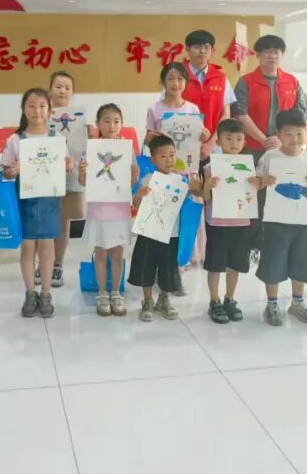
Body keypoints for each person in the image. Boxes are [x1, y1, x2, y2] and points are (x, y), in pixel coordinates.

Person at [1, 87, 73, 319]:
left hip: (49, 200)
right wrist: (12, 171)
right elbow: (5, 170)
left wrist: (67, 166)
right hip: (25, 200)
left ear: (50, 110)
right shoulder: (15, 139)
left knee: (47, 246)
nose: (36, 110)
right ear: (23, 109)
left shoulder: (57, 139)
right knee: (28, 246)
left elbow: (64, 167)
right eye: (31, 105)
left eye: (42, 106)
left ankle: (46, 292)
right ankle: (30, 292)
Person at [255, 110, 307, 326]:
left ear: (306, 134)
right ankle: (272, 304)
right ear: (278, 134)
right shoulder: (270, 157)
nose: (294, 139)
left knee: (301, 263)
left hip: (303, 222)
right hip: (275, 221)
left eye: (299, 133)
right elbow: (255, 183)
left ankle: (298, 302)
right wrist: (262, 181)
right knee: (273, 263)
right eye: (288, 134)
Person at [146, 62, 210, 296]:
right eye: (171, 78)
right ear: (163, 82)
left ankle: (178, 273)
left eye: (180, 79)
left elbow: (200, 138)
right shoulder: (155, 109)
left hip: (187, 172)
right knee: (165, 221)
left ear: (186, 82)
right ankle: (160, 273)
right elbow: (148, 141)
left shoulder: (192, 109)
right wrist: (150, 137)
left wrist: (204, 134)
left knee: (186, 222)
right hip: (164, 174)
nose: (176, 83)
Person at [130, 136, 202, 322]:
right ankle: (147, 301)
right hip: (149, 233)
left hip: (172, 234)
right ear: (153, 160)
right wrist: (139, 195)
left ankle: (164, 299)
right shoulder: (148, 179)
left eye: (172, 155)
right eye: (163, 156)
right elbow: (137, 205)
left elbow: (195, 197)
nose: (169, 160)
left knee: (168, 268)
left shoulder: (181, 180)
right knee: (146, 266)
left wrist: (196, 188)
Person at [78, 103, 138, 317]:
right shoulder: (91, 148)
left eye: (116, 121)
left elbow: (131, 181)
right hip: (99, 208)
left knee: (118, 253)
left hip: (119, 209)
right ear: (98, 124)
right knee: (101, 252)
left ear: (122, 124)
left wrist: (134, 174)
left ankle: (116, 292)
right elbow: (83, 181)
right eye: (106, 121)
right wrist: (82, 172)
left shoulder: (127, 148)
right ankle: (102, 292)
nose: (112, 125)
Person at [202, 118, 260, 324]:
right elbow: (205, 198)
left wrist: (257, 184)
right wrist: (208, 186)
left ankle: (230, 298)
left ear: (244, 141)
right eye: (228, 138)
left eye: (238, 139)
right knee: (215, 264)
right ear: (218, 141)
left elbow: (251, 195)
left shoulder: (248, 167)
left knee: (236, 263)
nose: (234, 143)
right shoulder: (211, 166)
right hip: (217, 224)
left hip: (241, 223)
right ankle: (214, 301)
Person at [231, 34, 307, 157]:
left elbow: (300, 115)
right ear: (258, 54)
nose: (272, 56)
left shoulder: (292, 82)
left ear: (282, 55)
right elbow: (240, 114)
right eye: (267, 52)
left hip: (285, 147)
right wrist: (264, 140)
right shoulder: (246, 82)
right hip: (251, 146)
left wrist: (280, 139)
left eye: (276, 52)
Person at [45, 70, 87, 289]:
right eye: (58, 86)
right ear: (50, 89)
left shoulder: (80, 118)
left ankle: (57, 264)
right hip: (45, 175)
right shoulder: (41, 113)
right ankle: (43, 263)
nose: (62, 91)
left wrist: (91, 134)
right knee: (44, 220)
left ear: (72, 92)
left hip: (71, 174)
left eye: (67, 87)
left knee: (63, 220)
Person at [179, 29, 235, 160]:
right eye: (197, 47)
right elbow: (169, 109)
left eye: (206, 47)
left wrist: (211, 144)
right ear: (187, 49)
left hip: (214, 146)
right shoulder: (177, 74)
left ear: (213, 50)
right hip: (182, 144)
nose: (202, 51)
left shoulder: (221, 78)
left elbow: (226, 115)